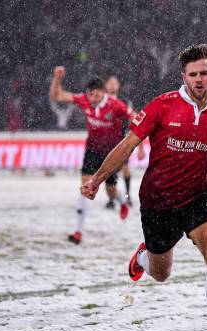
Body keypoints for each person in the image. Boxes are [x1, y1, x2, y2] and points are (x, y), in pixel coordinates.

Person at [79, 44, 207, 331]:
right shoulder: (161, 106)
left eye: (204, 73)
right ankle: (144, 258)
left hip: (197, 195)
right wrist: (98, 179)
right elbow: (128, 144)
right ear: (183, 76)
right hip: (158, 200)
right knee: (161, 273)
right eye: (193, 74)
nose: (199, 79)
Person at [49, 67, 139, 244]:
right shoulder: (83, 100)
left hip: (112, 153)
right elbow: (57, 96)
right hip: (92, 149)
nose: (93, 99)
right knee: (85, 186)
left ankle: (121, 201)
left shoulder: (115, 104)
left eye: (97, 95)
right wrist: (57, 78)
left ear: (103, 93)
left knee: (110, 191)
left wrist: (140, 144)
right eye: (91, 95)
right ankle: (78, 232)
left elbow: (136, 119)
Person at [104, 76, 146, 208]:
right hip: (104, 142)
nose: (112, 85)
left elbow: (134, 120)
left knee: (124, 168)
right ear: (105, 85)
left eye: (114, 83)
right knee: (108, 170)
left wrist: (140, 146)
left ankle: (127, 196)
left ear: (118, 86)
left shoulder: (123, 102)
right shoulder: (101, 101)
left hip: (120, 140)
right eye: (110, 83)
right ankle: (112, 198)